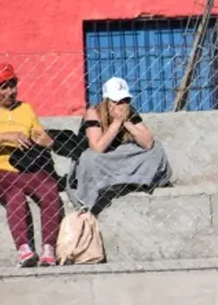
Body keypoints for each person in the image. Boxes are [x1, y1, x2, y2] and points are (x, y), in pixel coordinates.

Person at [0, 63, 63, 268]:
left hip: (23, 168)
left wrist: (47, 141)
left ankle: (48, 249)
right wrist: (6, 137)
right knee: (15, 190)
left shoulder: (26, 109)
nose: (10, 91)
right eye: (4, 87)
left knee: (49, 188)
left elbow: (40, 135)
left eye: (13, 85)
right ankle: (24, 249)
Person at [69, 77, 172, 210]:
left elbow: (148, 143)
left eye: (125, 100)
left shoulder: (129, 112)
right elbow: (97, 148)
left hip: (120, 156)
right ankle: (108, 185)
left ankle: (132, 181)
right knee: (89, 158)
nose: (122, 105)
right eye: (116, 101)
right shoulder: (93, 113)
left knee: (157, 148)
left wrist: (126, 122)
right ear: (107, 101)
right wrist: (117, 122)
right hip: (102, 159)